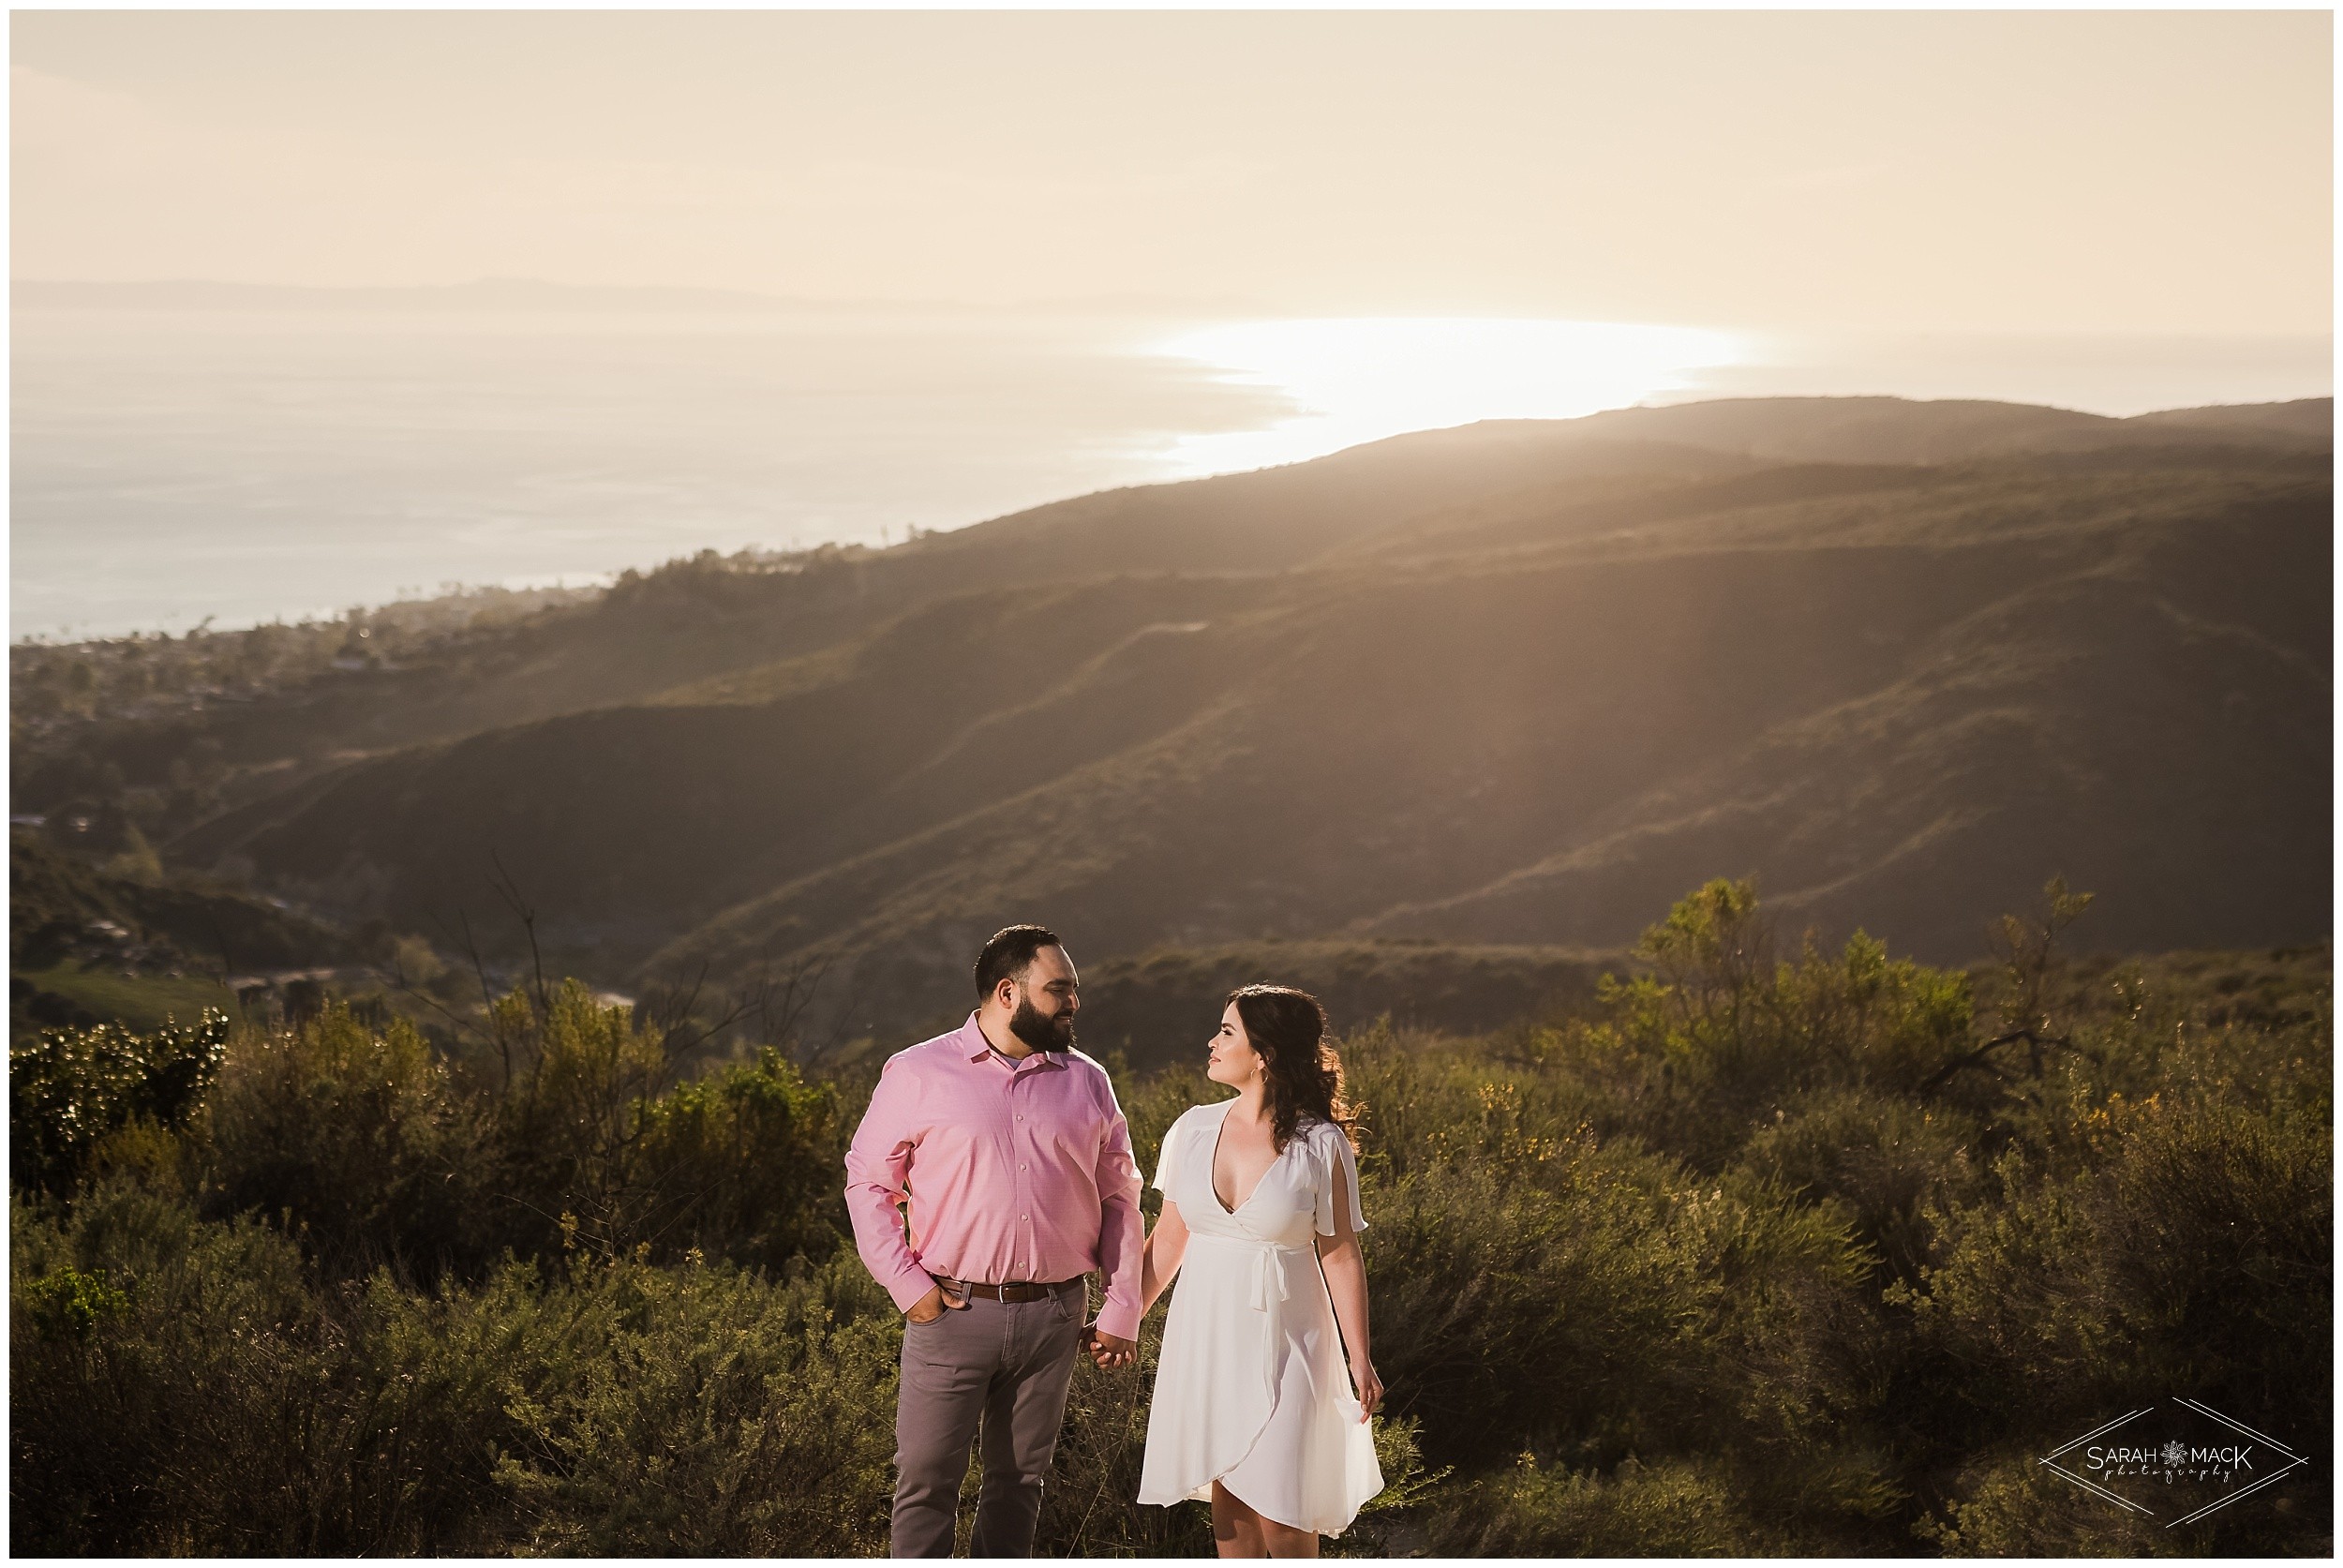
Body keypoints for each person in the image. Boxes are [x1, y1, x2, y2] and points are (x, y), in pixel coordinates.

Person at [843, 924, 1144, 1558]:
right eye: (1058, 988)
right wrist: (909, 1287)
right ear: (1007, 991)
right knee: (926, 1481)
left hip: (1056, 1316)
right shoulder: (917, 1070)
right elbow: (869, 1184)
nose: (1073, 1002)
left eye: (1073, 990)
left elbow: (1120, 1198)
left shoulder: (1089, 1080)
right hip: (952, 1312)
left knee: (1019, 1483)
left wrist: (1122, 1306)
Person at [1133, 985, 1385, 1557]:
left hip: (1291, 1339)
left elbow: (1340, 1251)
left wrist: (1360, 1356)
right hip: (1208, 1336)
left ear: (1264, 1053)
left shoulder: (1320, 1144)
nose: (1211, 1042)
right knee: (1233, 1512)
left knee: (1285, 1508)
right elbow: (1170, 1238)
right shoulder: (1193, 1128)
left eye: (1226, 1032)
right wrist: (1121, 1320)